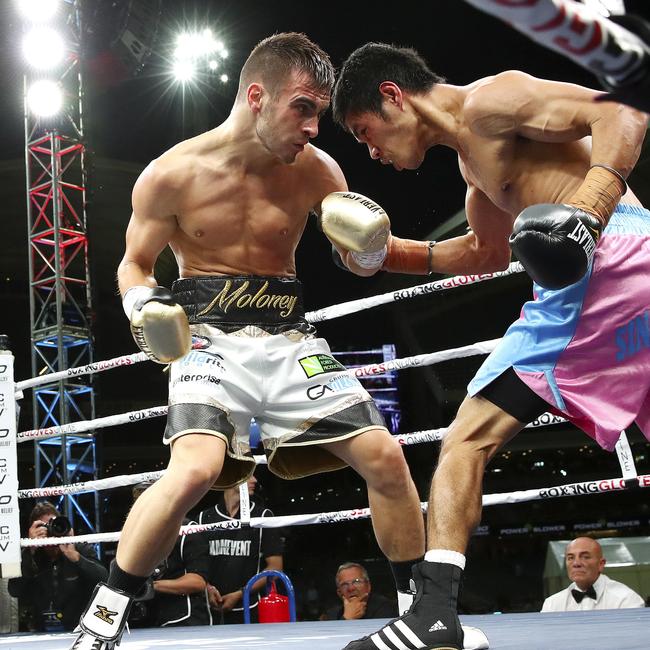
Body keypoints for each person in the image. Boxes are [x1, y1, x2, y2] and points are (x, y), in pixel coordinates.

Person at [70, 33, 426, 650]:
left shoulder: (318, 171)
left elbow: (357, 258)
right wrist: (141, 303)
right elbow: (134, 263)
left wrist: (367, 253)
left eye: (319, 111)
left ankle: (424, 612)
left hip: (292, 338)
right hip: (207, 340)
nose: (315, 127)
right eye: (304, 108)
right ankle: (104, 617)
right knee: (195, 471)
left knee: (386, 457)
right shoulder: (171, 174)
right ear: (257, 96)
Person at [331, 43, 649, 649]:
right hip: (638, 267)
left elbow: (625, 112)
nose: (370, 150)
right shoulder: (473, 169)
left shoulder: (492, 100)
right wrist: (386, 254)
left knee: (466, 437)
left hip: (604, 270)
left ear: (393, 96)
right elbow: (486, 252)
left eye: (365, 131)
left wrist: (587, 211)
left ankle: (433, 618)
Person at [8, 501, 107, 632]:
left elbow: (104, 579)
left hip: (79, 629)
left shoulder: (79, 549)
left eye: (53, 525)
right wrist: (30, 551)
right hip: (39, 632)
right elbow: (14, 590)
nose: (50, 531)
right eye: (44, 527)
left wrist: (75, 557)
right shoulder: (30, 555)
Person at [198, 474, 284, 624]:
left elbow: (275, 568)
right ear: (231, 478)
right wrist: (207, 588)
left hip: (250, 608)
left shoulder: (262, 516)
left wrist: (240, 594)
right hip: (209, 609)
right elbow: (195, 566)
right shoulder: (203, 519)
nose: (255, 480)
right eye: (248, 475)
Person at [129, 481, 211, 628]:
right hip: (146, 619)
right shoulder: (133, 533)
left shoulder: (187, 531)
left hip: (183, 619)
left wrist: (152, 586)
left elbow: (197, 581)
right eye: (138, 502)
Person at [541, 537, 645, 612]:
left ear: (601, 564)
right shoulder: (552, 604)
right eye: (570, 558)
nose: (576, 563)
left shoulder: (626, 600)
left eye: (585, 557)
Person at [320, 562, 397, 621]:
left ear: (368, 586)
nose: (351, 588)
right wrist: (347, 618)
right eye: (344, 584)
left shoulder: (387, 608)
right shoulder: (332, 614)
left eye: (356, 581)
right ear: (339, 592)